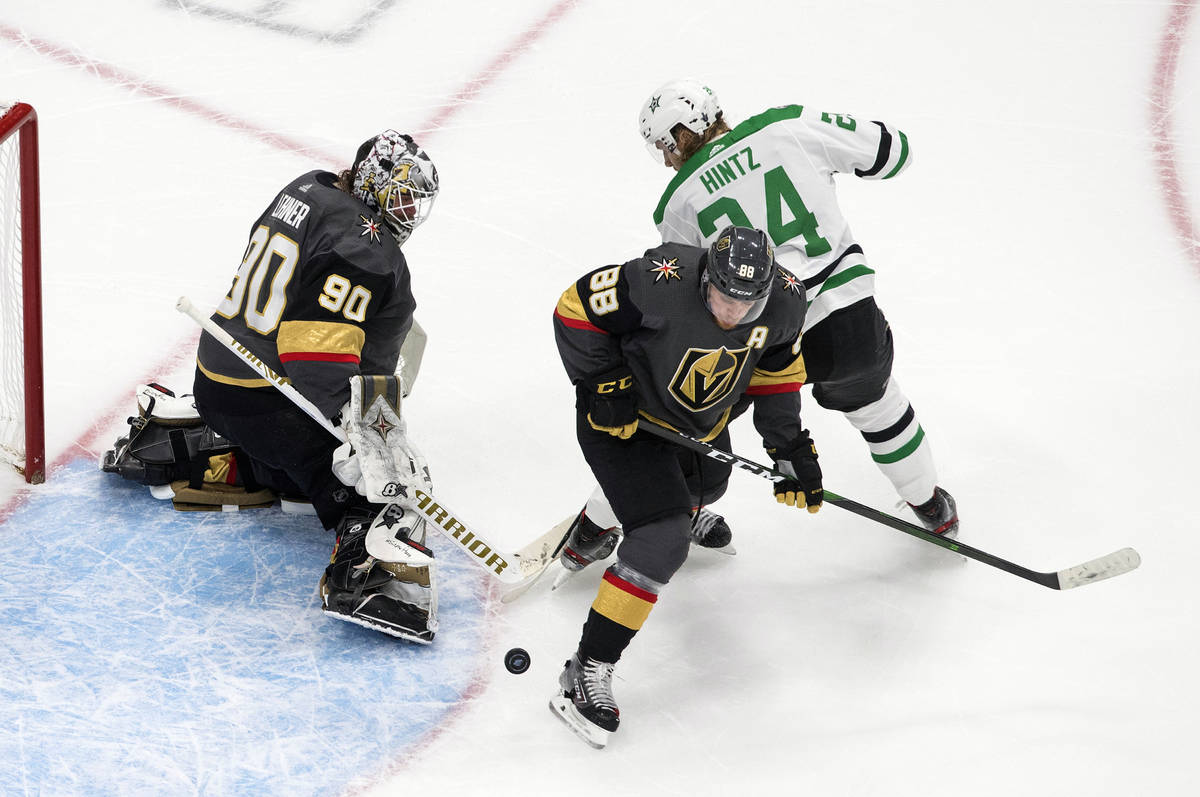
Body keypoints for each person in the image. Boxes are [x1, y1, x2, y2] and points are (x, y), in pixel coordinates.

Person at [634, 78, 958, 542]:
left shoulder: (677, 203)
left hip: (760, 340)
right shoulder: (787, 127)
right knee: (880, 407)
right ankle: (931, 505)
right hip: (848, 322)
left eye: (666, 145)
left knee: (683, 423)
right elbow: (894, 151)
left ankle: (663, 511)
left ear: (685, 132)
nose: (666, 159)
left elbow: (697, 301)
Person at [549, 225, 822, 748]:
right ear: (705, 281)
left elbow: (778, 372)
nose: (732, 313)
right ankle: (585, 670)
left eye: (748, 303)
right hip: (627, 423)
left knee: (706, 490)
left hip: (701, 428)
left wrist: (788, 450)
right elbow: (574, 306)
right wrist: (604, 383)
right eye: (723, 297)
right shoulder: (659, 279)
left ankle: (598, 526)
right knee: (663, 538)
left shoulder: (787, 302)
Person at [190, 130, 442, 643]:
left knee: (317, 465)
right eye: (402, 193)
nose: (410, 210)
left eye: (418, 200)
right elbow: (315, 357)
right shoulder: (367, 246)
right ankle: (367, 578)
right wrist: (361, 440)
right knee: (381, 490)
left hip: (215, 378)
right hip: (267, 399)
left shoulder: (310, 187)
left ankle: (228, 460)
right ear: (372, 182)